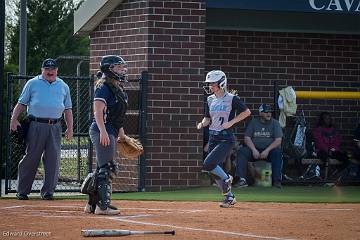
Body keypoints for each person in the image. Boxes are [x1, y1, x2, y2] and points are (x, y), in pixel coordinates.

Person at [10, 58, 73, 200]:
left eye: (53, 69)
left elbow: (68, 109)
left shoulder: (63, 86)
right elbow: (21, 104)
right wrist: (13, 120)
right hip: (36, 124)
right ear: (42, 70)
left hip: (55, 126)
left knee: (53, 159)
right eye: (47, 69)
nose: (50, 71)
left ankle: (48, 192)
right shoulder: (32, 83)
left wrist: (70, 128)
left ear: (57, 70)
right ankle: (22, 191)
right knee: (31, 157)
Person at [196, 70, 251, 208]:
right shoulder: (210, 99)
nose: (210, 86)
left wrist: (231, 123)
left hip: (226, 137)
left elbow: (247, 112)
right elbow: (208, 118)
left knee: (208, 164)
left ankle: (227, 178)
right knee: (213, 168)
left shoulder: (232, 98)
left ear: (221, 83)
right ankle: (229, 197)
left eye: (212, 84)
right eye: (209, 84)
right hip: (213, 136)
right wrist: (202, 123)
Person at [84, 55, 129, 215]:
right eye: (118, 67)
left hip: (111, 129)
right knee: (107, 168)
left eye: (121, 67)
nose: (122, 70)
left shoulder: (116, 87)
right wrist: (103, 131)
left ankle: (91, 205)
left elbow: (118, 114)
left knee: (102, 168)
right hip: (101, 129)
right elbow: (98, 111)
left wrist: (121, 133)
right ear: (108, 69)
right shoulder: (103, 86)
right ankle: (102, 207)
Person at [234, 103, 283, 188]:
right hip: (255, 151)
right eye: (266, 112)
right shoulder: (254, 122)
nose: (269, 114)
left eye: (270, 112)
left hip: (269, 151)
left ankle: (277, 181)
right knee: (242, 151)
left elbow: (278, 140)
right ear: (260, 113)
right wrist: (253, 150)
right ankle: (242, 180)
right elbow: (247, 138)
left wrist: (267, 150)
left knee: (277, 153)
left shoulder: (275, 123)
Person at [312, 112, 348, 176]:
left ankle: (336, 172)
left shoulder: (334, 130)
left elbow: (337, 141)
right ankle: (326, 176)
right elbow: (319, 143)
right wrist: (327, 150)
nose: (328, 120)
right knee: (324, 157)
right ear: (322, 120)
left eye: (329, 118)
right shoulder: (318, 130)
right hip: (322, 151)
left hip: (333, 150)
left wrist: (333, 149)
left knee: (345, 157)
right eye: (325, 118)